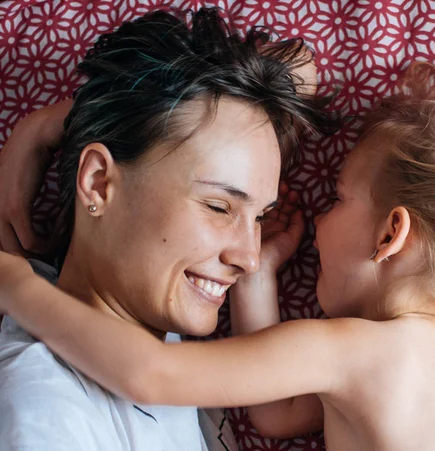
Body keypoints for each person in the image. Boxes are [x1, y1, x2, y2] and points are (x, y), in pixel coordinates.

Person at [0, 63, 435, 450]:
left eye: (338, 198)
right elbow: (277, 415)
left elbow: (152, 375)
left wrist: (18, 286)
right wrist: (259, 278)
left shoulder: (354, 351)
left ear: (390, 235)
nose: (318, 218)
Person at [0, 7, 333, 451]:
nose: (249, 258)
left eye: (260, 217)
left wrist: (45, 126)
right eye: (218, 206)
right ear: (97, 182)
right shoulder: (48, 411)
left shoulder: (136, 300)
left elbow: (298, 70)